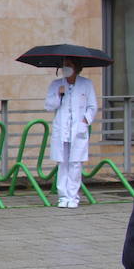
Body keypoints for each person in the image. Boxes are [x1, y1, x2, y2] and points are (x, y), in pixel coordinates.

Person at [44, 60, 98, 208]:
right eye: (64, 65)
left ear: (76, 68)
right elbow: (49, 106)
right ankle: (63, 196)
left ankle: (73, 197)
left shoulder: (86, 84)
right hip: (62, 129)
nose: (66, 68)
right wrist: (59, 95)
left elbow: (92, 107)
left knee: (75, 163)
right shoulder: (56, 84)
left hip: (78, 130)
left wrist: (84, 121)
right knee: (62, 163)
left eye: (69, 65)